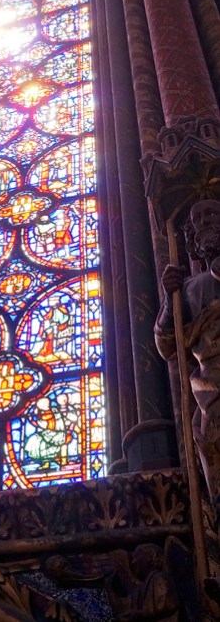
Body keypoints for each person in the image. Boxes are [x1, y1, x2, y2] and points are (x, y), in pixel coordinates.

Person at [155, 198, 220, 505]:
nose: (204, 222)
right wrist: (170, 298)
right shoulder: (190, 287)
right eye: (196, 219)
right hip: (212, 388)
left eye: (211, 213)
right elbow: (168, 346)